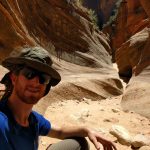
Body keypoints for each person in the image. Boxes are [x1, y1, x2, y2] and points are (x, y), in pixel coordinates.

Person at [0, 46, 117, 150]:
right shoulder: (2, 124)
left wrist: (87, 130)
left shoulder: (33, 119)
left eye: (43, 78)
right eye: (29, 73)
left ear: (46, 87)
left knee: (79, 142)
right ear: (14, 78)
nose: (36, 82)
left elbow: (60, 131)